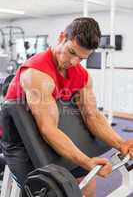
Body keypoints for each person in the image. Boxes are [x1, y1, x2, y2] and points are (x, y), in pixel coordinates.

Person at [2, 17, 133, 197]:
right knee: (52, 189)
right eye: (71, 52)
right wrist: (86, 161)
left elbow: (92, 116)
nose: (73, 62)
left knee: (87, 181)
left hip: (53, 129)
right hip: (21, 141)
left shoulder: (81, 75)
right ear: (62, 37)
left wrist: (122, 144)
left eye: (81, 58)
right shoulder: (37, 74)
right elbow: (48, 129)